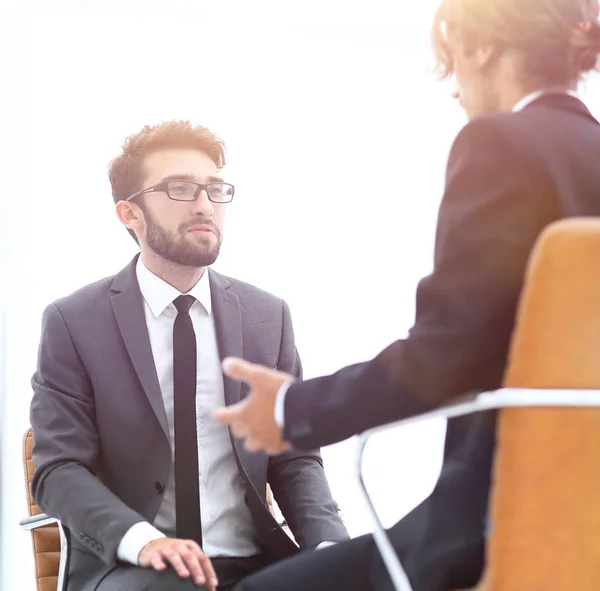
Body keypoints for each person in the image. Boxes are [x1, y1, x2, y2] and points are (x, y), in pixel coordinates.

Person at [213, 0, 600, 589]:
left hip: (498, 520)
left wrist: (294, 410)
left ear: (482, 48)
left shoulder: (498, 144)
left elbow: (446, 354)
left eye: (452, 65)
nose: (456, 92)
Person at [29, 120, 348, 591]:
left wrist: (328, 547)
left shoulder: (268, 316)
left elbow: (293, 457)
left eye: (215, 190)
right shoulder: (74, 322)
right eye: (180, 189)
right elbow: (57, 470)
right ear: (129, 214)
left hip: (255, 561)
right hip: (135, 568)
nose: (205, 206)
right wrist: (142, 541)